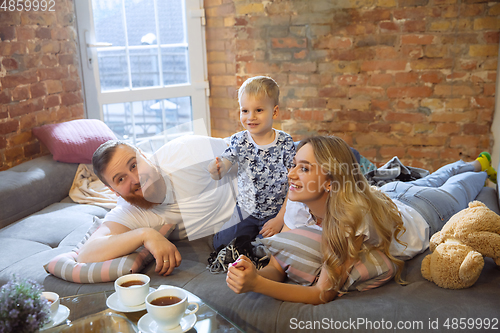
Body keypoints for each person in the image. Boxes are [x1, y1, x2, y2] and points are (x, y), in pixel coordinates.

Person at [226, 136, 494, 304]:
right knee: (432, 176)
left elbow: (323, 293)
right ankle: (473, 164)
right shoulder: (298, 206)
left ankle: (480, 166)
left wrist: (257, 285)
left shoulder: (347, 220)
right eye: (294, 164)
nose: (291, 175)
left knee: (460, 184)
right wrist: (253, 275)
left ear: (330, 181)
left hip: (426, 210)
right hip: (388, 193)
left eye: (304, 168)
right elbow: (278, 267)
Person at [77, 135, 236, 276]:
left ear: (144, 155)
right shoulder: (130, 211)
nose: (136, 178)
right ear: (114, 191)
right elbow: (86, 253)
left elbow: (249, 150)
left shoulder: (184, 152)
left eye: (134, 165)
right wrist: (145, 235)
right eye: (120, 179)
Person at [208, 76, 296, 249]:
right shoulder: (239, 141)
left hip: (277, 211)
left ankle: (262, 244)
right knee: (221, 244)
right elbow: (224, 165)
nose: (251, 117)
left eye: (259, 110)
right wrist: (216, 169)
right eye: (245, 111)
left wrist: (279, 220)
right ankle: (252, 242)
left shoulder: (285, 142)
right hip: (246, 211)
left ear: (275, 112)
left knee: (283, 247)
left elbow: (294, 184)